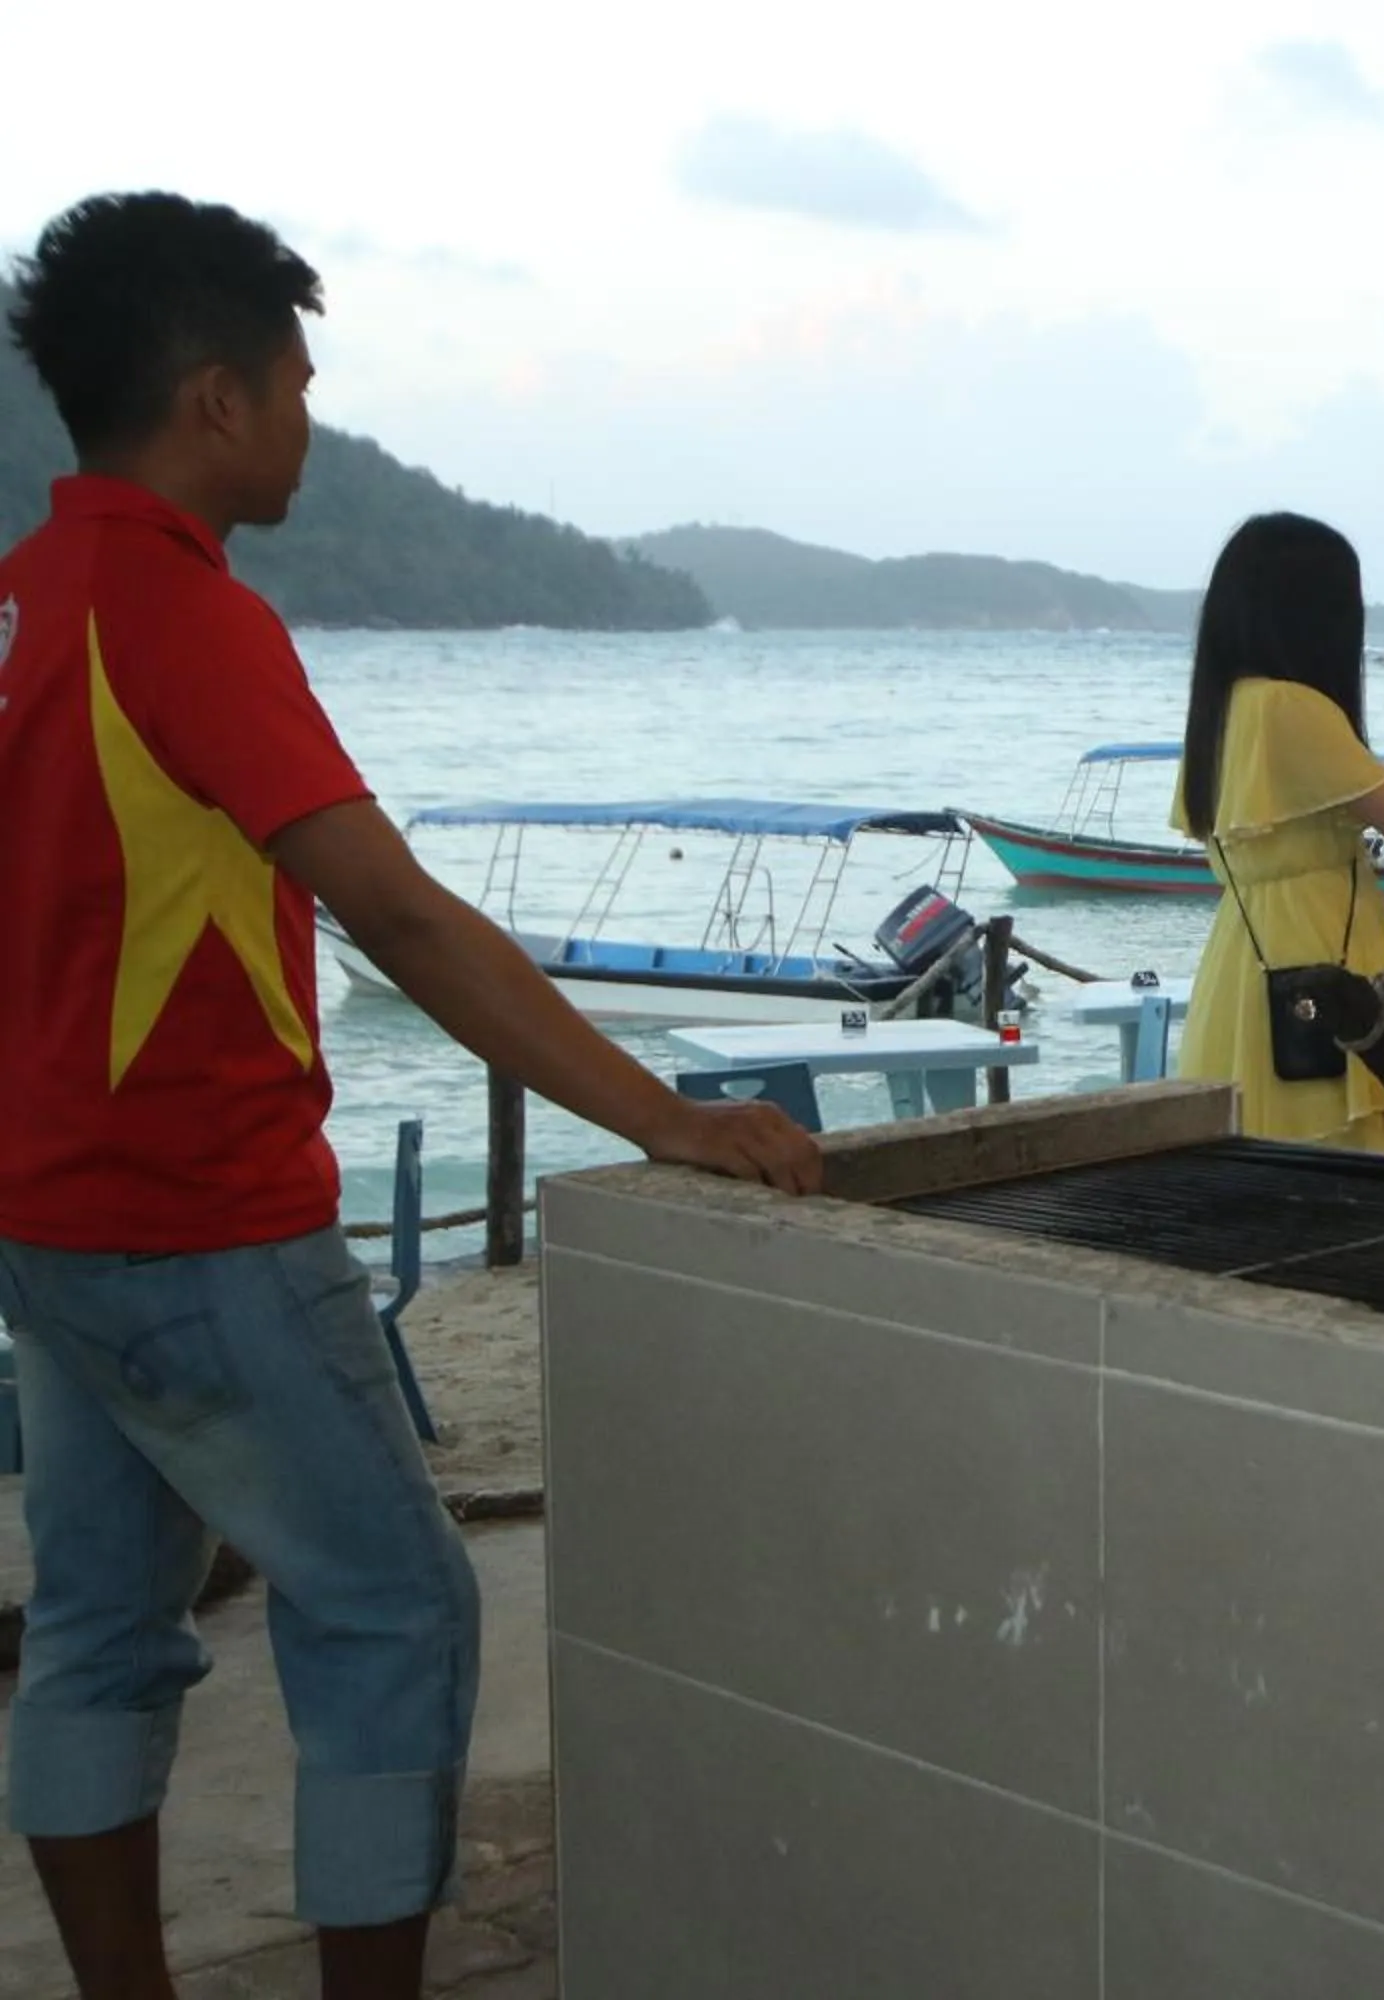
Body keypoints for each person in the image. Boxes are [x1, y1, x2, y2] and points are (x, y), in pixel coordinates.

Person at [0, 193, 821, 2000]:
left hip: (48, 1227)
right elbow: (398, 911)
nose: (307, 418)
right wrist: (663, 1116)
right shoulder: (184, 618)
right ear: (215, 396)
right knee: (393, 1609)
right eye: (295, 384)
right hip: (207, 1219)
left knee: (96, 1636)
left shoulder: (26, 602)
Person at [1173, 512, 1384, 1152]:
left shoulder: (1226, 705)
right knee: (1345, 1154)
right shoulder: (1297, 706)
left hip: (1246, 964)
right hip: (1321, 957)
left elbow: (1296, 802)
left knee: (1262, 1155)